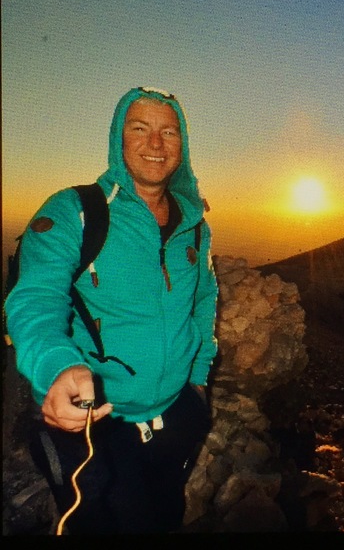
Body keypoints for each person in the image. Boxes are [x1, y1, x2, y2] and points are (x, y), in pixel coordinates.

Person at [4, 87, 218, 534]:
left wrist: (197, 380)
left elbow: (202, 301)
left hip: (175, 415)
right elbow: (35, 298)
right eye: (139, 129)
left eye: (169, 132)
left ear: (184, 145)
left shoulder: (193, 225)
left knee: (165, 516)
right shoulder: (74, 212)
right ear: (117, 141)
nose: (156, 144)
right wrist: (56, 367)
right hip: (95, 427)